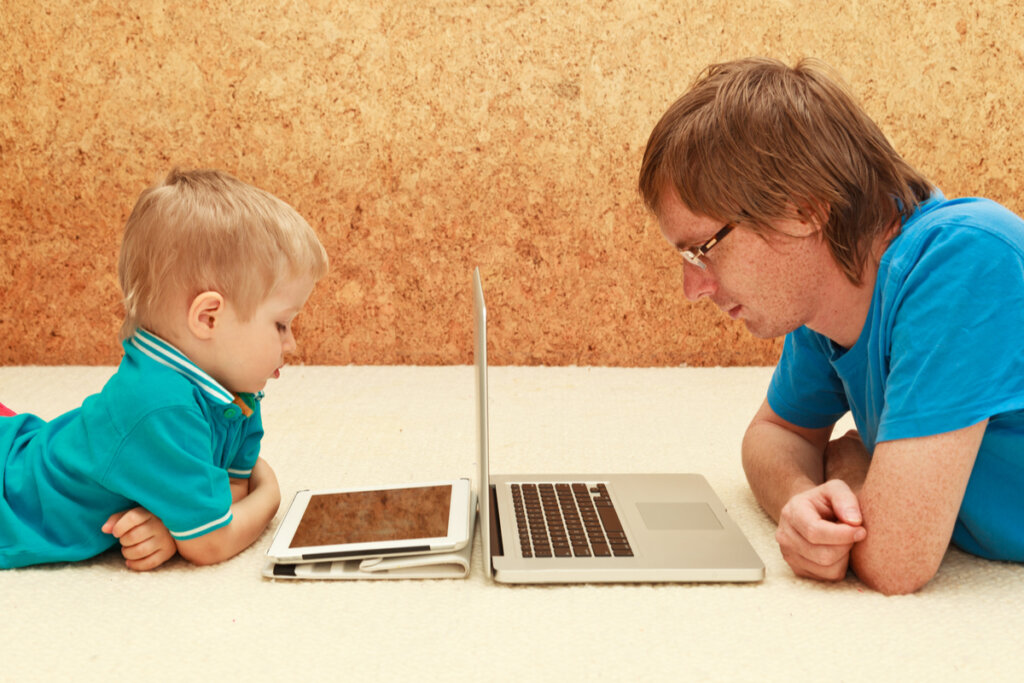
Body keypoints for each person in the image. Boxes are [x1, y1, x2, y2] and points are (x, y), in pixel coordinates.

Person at [637, 57, 1024, 595]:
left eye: (702, 250)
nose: (692, 287)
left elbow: (896, 562)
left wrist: (850, 469)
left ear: (802, 210)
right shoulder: (829, 294)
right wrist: (801, 497)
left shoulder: (964, 259)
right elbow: (774, 434)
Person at [1, 169, 329, 571]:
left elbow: (229, 489)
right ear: (208, 318)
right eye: (281, 324)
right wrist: (272, 493)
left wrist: (174, 526)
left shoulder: (234, 395)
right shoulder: (161, 405)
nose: (291, 344)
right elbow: (212, 541)